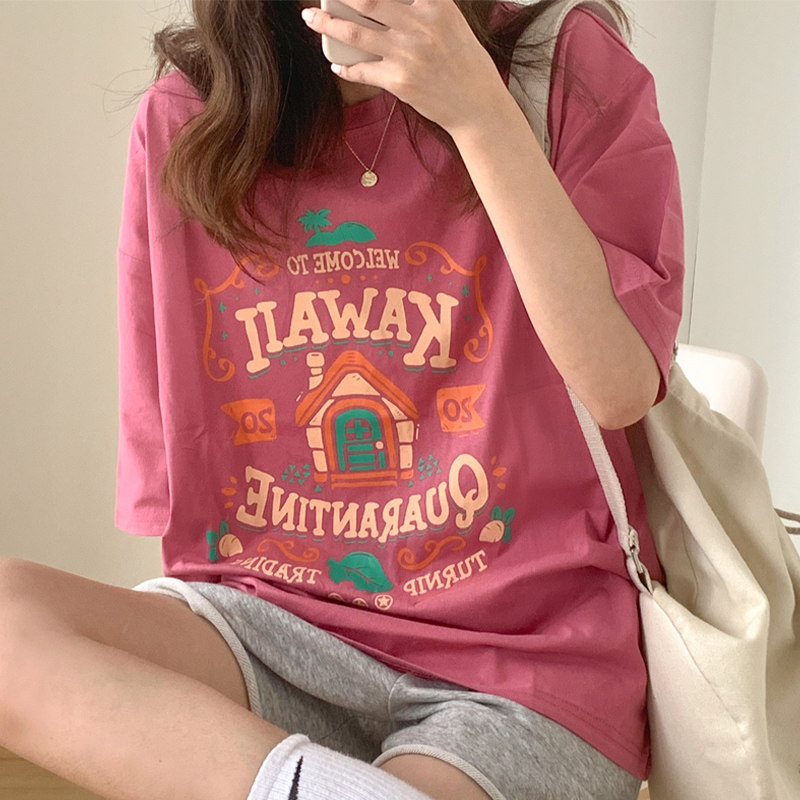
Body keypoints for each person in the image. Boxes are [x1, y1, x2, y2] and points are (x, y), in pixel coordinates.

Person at [0, 1, 684, 798]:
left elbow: (619, 386)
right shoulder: (191, 113)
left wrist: (478, 111)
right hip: (269, 623)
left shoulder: (561, 64)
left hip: (526, 660)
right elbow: (178, 464)